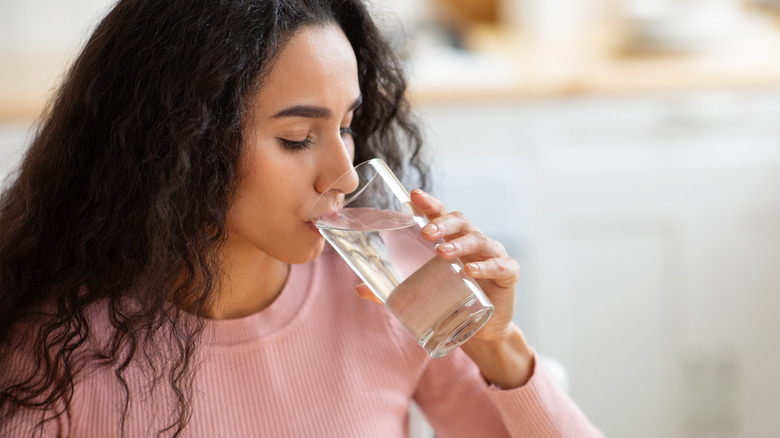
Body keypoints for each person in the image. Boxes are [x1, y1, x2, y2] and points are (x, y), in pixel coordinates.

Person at [0, 0, 604, 436]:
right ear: (177, 144)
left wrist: (500, 350)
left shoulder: (393, 289)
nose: (344, 176)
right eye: (296, 138)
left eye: (346, 126)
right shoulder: (55, 349)